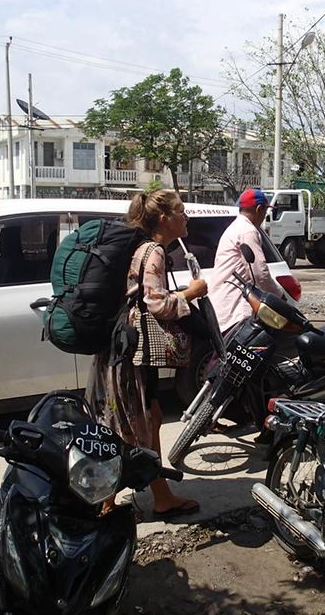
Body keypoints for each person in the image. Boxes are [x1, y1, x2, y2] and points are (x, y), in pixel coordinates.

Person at [87, 188, 208, 519]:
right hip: (131, 354)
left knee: (146, 420)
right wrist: (190, 293)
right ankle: (105, 501)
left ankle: (157, 496)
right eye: (181, 212)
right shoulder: (152, 251)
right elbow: (155, 304)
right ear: (166, 219)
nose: (186, 218)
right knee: (126, 425)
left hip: (126, 348)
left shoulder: (141, 249)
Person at [209, 188, 286, 333]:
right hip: (235, 306)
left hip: (223, 303)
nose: (264, 216)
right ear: (259, 209)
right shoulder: (248, 231)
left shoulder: (236, 227)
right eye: (265, 211)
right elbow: (260, 273)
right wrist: (279, 297)